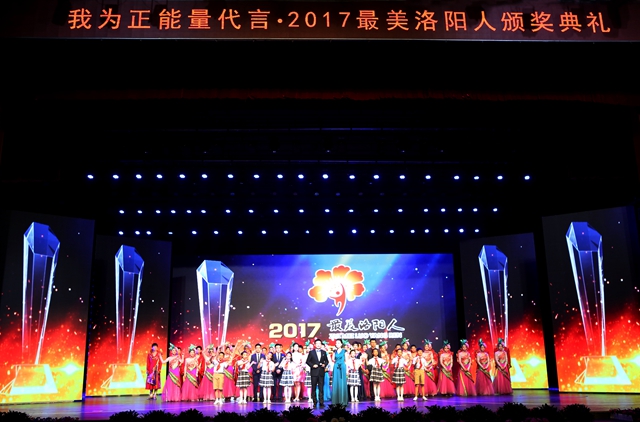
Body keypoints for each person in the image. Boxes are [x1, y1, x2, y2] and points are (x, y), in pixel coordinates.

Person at [305, 338, 329, 407]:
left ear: (321, 345)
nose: (318, 345)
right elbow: (307, 361)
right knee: (314, 388)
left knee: (321, 388)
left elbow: (326, 361)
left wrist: (324, 364)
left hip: (321, 372)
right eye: (317, 343)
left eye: (319, 343)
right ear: (315, 345)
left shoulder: (324, 352)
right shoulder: (311, 352)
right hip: (314, 372)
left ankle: (321, 402)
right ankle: (314, 402)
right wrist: (312, 365)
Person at [331, 339, 348, 405]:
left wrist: (347, 370)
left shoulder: (344, 351)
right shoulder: (334, 351)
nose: (337, 344)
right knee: (336, 382)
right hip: (336, 367)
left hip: (342, 366)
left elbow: (346, 360)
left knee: (342, 382)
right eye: (336, 343)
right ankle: (336, 401)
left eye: (338, 343)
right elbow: (333, 359)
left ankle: (342, 400)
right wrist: (333, 352)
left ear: (341, 344)